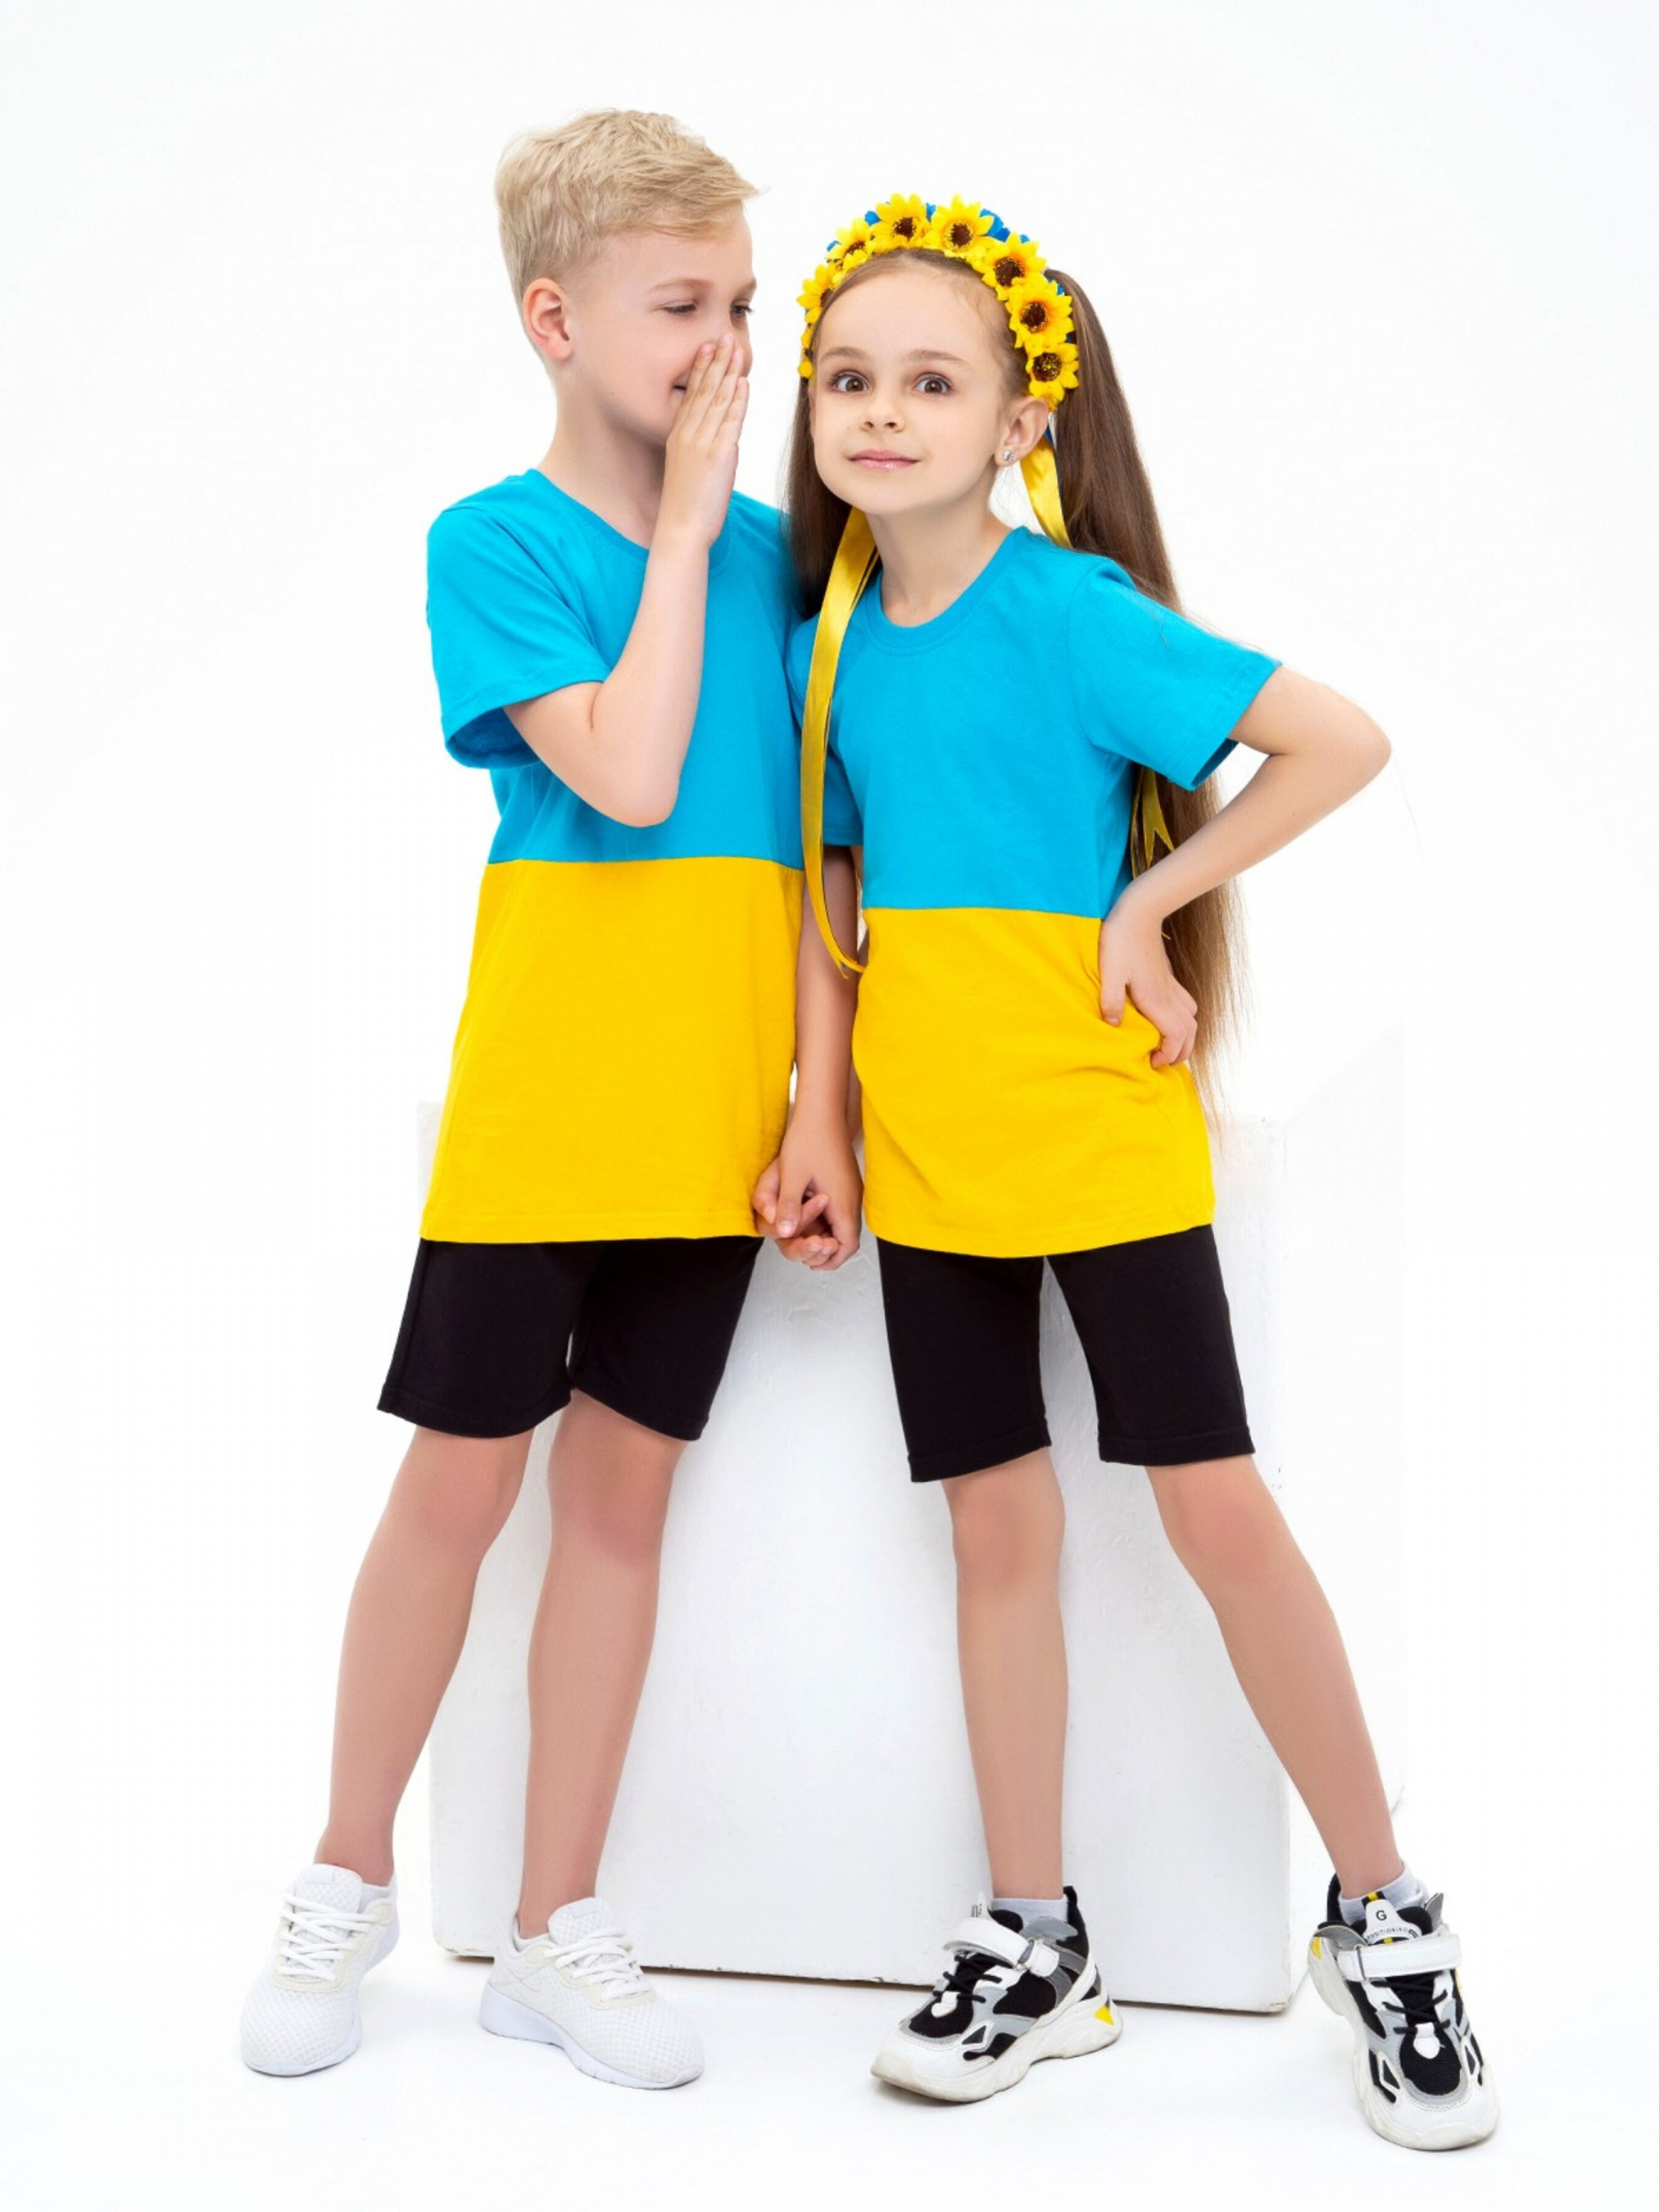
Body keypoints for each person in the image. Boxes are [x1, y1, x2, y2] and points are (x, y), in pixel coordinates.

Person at [768, 193, 1496, 2151]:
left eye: (930, 382)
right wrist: (820, 1116)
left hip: (1095, 1137)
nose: (878, 413)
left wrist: (1143, 906)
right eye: (847, 378)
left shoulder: (1071, 611)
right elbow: (833, 878)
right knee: (992, 1537)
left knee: (1214, 1515)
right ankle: (1033, 1938)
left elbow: (1332, 742)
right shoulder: (824, 640)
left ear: (1020, 419)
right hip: (925, 1159)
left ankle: (1384, 1915)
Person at [238, 109, 859, 2090]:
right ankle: (345, 1879)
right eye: (681, 306)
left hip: (713, 1120)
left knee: (620, 1506)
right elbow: (631, 771)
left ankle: (551, 1926)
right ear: (553, 317)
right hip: (542, 1105)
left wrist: (818, 1106)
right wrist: (678, 535)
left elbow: (819, 862)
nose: (725, 349)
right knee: (456, 1487)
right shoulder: (494, 545)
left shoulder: (786, 568)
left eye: (741, 305)